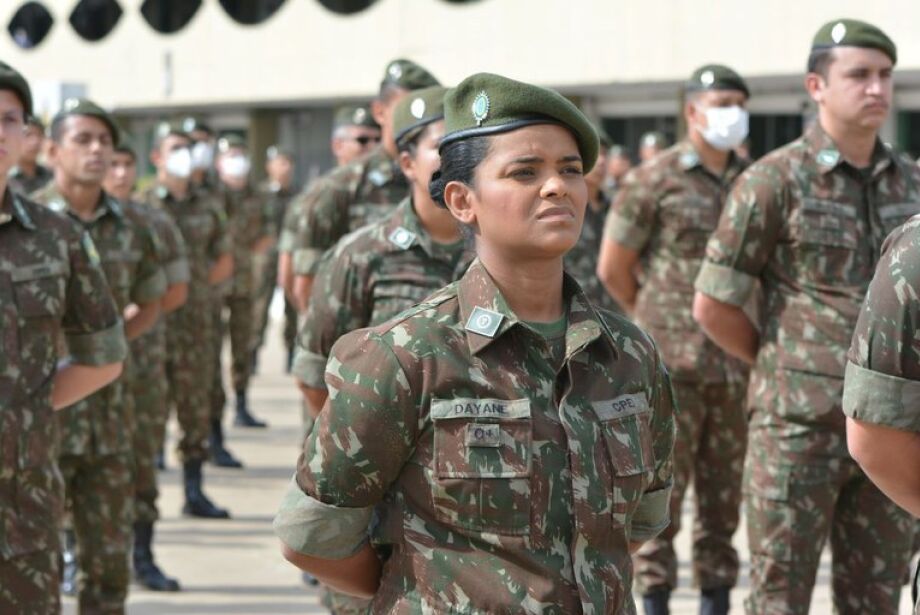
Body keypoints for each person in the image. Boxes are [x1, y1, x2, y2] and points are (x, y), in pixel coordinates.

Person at [275, 72, 675, 613]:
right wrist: (433, 593)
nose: (556, 186)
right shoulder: (405, 354)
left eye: (570, 170)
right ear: (463, 200)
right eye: (524, 172)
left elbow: (637, 523)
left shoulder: (629, 354)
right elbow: (314, 538)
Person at [692, 19, 920, 614]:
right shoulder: (772, 181)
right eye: (859, 75)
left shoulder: (914, 183)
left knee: (875, 599)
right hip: (795, 428)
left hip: (893, 430)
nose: (876, 88)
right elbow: (713, 304)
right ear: (816, 85)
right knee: (778, 597)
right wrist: (781, 361)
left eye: (885, 76)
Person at [292, 82, 470, 615]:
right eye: (441, 147)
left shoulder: (500, 253)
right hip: (380, 492)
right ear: (407, 162)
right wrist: (371, 458)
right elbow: (312, 373)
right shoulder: (362, 256)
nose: (452, 161)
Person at [598, 64, 751, 615]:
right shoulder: (653, 180)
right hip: (671, 374)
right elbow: (614, 267)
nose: (732, 111)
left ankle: (715, 602)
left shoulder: (754, 181)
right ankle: (658, 602)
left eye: (739, 101)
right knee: (660, 503)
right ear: (692, 111)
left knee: (724, 507)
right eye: (721, 101)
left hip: (734, 369)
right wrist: (651, 322)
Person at [0, 61, 126, 615]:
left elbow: (103, 355)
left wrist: (23, 410)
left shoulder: (55, 237)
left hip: (21, 509)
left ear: (27, 136)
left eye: (7, 119)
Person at [33, 98, 167, 614]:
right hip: (41, 420)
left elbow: (153, 301)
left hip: (113, 414)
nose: (96, 151)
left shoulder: (134, 225)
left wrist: (104, 351)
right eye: (82, 139)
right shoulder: (29, 225)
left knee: (109, 565)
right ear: (51, 150)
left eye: (104, 142)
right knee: (32, 567)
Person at [104, 138, 190, 591]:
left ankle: (143, 554)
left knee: (141, 461)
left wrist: (118, 334)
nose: (117, 173)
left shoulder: (151, 222)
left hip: (140, 362)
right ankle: (74, 554)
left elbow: (173, 291)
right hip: (71, 368)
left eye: (125, 164)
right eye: (111, 165)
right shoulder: (59, 222)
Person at [288, 58, 440, 311]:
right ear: (380, 112)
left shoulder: (446, 183)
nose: (419, 121)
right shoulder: (339, 187)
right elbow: (306, 289)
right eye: (408, 109)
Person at [143, 122, 235, 519]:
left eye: (188, 146)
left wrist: (194, 288)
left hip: (197, 324)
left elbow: (225, 258)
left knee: (194, 408)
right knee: (147, 412)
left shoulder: (208, 203)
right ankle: (142, 500)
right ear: (157, 158)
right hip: (152, 326)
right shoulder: (143, 205)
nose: (185, 153)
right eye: (175, 147)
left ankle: (193, 491)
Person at [276, 105, 380, 316]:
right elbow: (288, 272)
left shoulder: (389, 193)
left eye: (377, 140)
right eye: (362, 140)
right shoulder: (315, 196)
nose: (372, 147)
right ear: (338, 145)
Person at [211, 134, 273, 435]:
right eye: (229, 154)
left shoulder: (257, 195)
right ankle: (211, 415)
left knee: (242, 344)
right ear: (218, 162)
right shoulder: (210, 195)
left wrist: (249, 256)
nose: (236, 160)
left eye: (240, 154)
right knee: (210, 348)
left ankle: (241, 402)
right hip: (213, 284)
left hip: (246, 280)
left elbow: (267, 231)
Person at [564, 123, 621, 314]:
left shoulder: (617, 207)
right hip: (574, 315)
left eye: (606, 154)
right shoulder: (563, 209)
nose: (602, 161)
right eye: (597, 155)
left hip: (614, 316)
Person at [254, 145, 299, 372]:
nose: (285, 168)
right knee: (259, 307)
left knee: (292, 306)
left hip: (291, 259)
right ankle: (252, 353)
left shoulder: (298, 195)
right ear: (269, 166)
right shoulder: (260, 195)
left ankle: (291, 352)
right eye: (280, 162)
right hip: (265, 260)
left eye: (288, 162)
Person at [7, 114, 51, 195]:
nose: (35, 142)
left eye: (39, 135)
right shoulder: (5, 178)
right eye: (28, 135)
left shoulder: (50, 175)